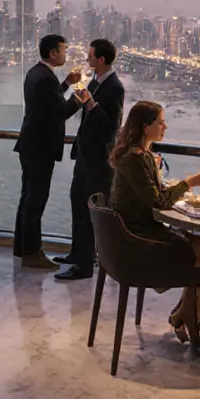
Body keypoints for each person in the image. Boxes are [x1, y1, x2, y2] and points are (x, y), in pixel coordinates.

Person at [108, 101, 200, 345]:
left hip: (143, 231)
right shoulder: (135, 159)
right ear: (145, 127)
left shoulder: (145, 155)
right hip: (139, 240)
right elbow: (158, 202)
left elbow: (154, 194)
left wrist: (179, 184)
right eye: (161, 122)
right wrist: (189, 183)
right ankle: (195, 316)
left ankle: (192, 314)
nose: (165, 126)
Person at [54, 39, 125, 281]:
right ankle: (76, 253)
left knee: (90, 211)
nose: (87, 59)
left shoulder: (115, 88)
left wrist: (91, 103)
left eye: (91, 56)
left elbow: (111, 127)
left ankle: (85, 265)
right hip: (84, 156)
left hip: (98, 160)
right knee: (77, 204)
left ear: (102, 60)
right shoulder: (95, 82)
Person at [14, 34, 82, 269]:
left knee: (27, 197)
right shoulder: (45, 78)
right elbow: (59, 112)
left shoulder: (36, 72)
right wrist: (79, 98)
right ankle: (32, 254)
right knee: (36, 200)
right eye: (63, 50)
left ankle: (22, 248)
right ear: (52, 53)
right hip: (40, 148)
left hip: (30, 145)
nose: (65, 54)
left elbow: (47, 103)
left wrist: (65, 84)